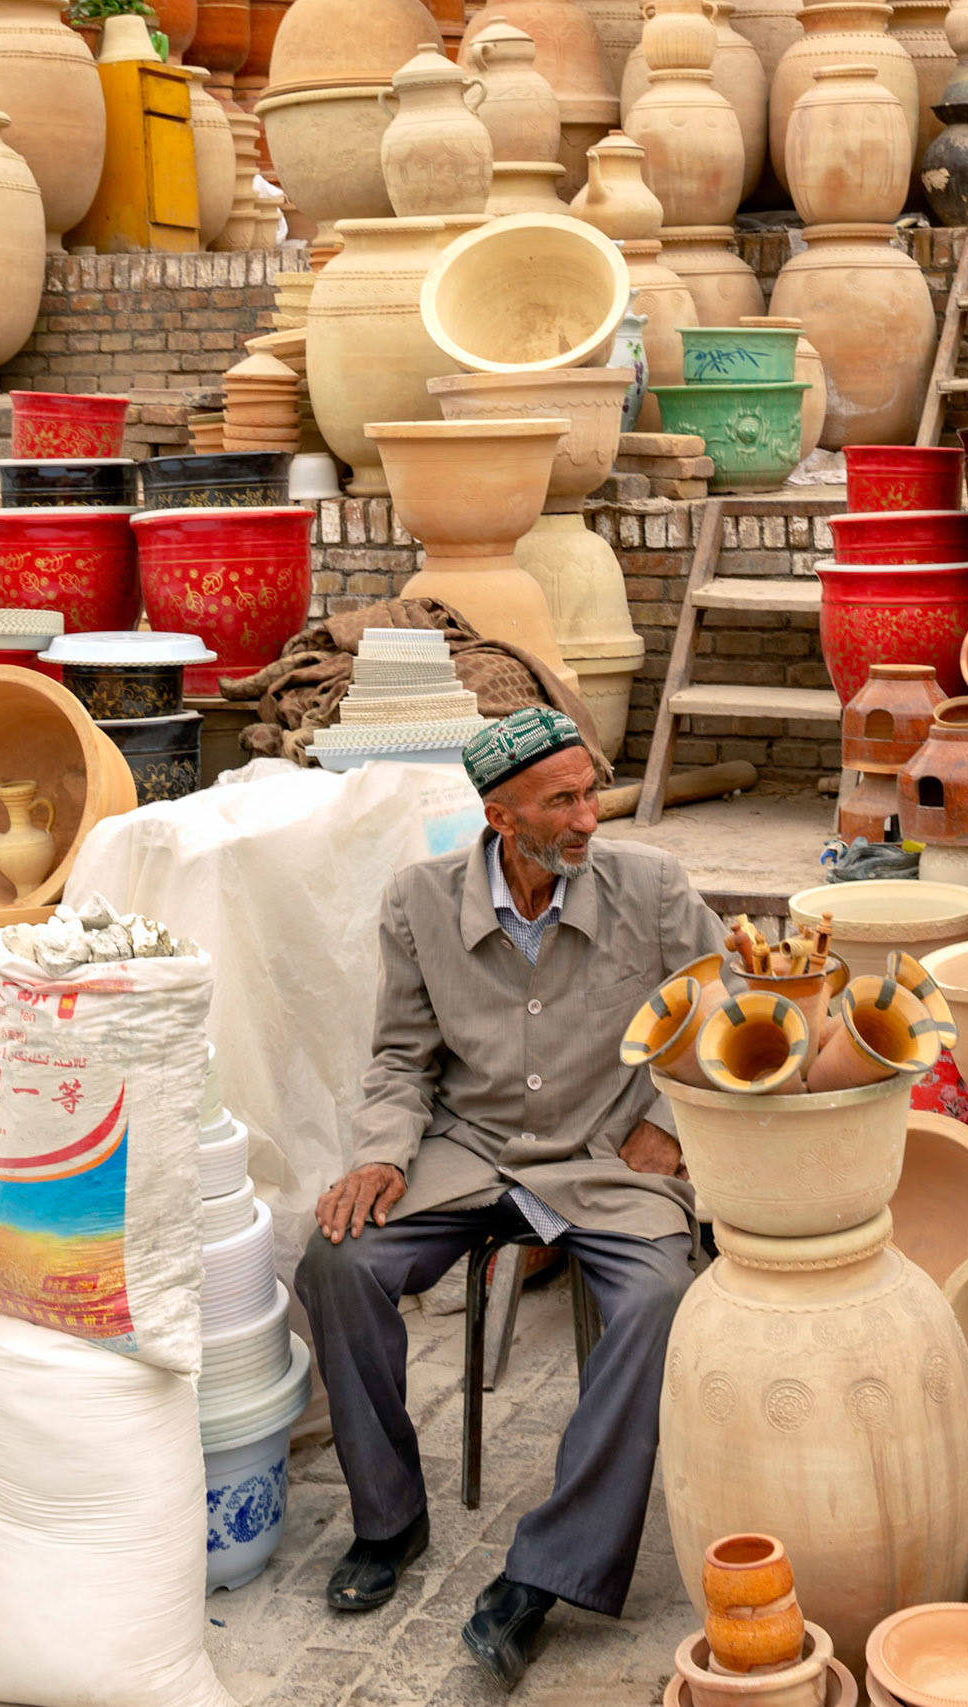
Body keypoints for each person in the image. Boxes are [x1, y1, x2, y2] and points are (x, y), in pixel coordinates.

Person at [295, 706, 725, 1693]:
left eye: (592, 791)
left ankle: (545, 1575)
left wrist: (667, 1114)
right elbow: (403, 1056)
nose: (588, 817)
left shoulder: (650, 886)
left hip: (608, 1158)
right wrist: (382, 1155)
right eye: (562, 801)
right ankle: (388, 1521)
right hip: (470, 1153)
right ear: (501, 815)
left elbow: (723, 995)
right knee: (337, 1260)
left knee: (661, 1300)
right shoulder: (418, 902)